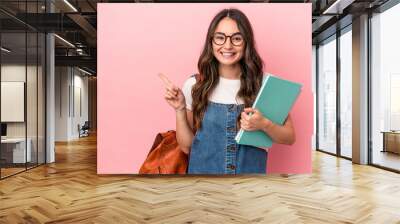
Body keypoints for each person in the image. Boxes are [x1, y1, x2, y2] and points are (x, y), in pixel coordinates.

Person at [160, 8, 295, 174]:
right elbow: (187, 147)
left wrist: (264, 124)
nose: (228, 45)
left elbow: (289, 137)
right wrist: (180, 109)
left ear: (247, 42)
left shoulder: (265, 85)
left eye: (237, 38)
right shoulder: (195, 85)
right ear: (211, 42)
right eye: (220, 38)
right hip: (204, 187)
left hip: (249, 187)